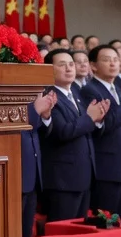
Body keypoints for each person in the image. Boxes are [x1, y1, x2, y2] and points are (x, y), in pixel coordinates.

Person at [38, 49, 106, 222]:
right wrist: (90, 118)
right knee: (62, 232)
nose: (68, 69)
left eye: (71, 64)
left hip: (83, 175)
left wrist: (97, 119)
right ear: (48, 69)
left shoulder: (75, 93)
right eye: (61, 65)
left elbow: (85, 127)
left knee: (78, 234)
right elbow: (62, 131)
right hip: (63, 179)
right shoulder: (49, 95)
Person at [80, 45, 121, 222]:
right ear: (94, 65)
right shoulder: (90, 90)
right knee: (106, 220)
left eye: (115, 59)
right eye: (106, 60)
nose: (113, 63)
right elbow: (102, 125)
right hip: (106, 165)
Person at [21, 90, 55, 237]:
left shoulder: (31, 89)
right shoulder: (9, 89)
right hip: (17, 175)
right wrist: (34, 111)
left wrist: (45, 116)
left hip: (33, 177)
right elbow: (16, 126)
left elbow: (38, 131)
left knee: (27, 236)